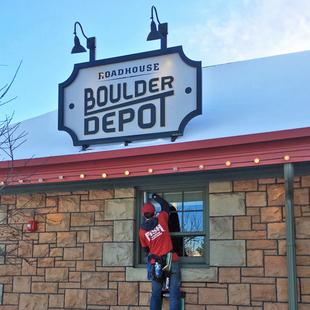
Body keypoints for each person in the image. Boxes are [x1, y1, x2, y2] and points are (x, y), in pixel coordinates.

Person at [139, 193, 181, 310]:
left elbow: (146, 250)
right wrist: (155, 196)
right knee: (174, 294)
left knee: (156, 296)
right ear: (155, 213)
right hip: (172, 260)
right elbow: (165, 206)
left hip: (156, 265)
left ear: (143, 215)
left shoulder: (142, 232)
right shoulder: (162, 219)